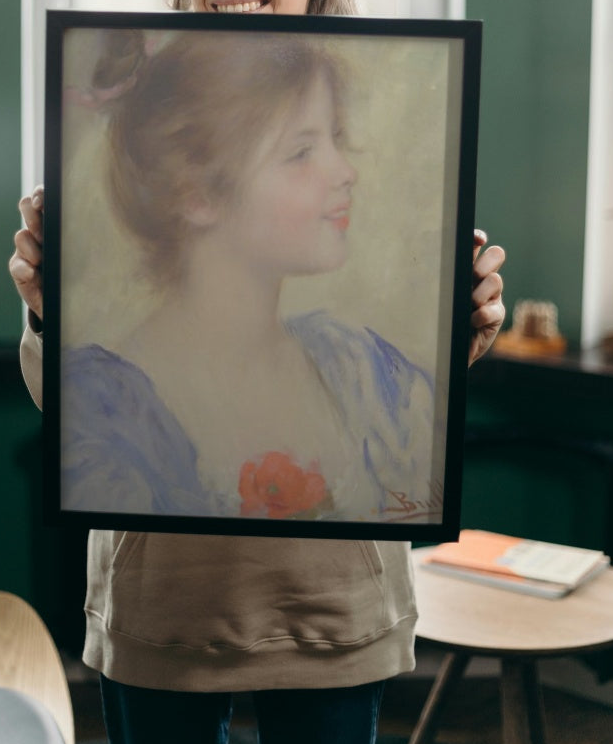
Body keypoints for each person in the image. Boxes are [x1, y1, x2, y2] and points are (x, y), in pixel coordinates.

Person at [10, 0, 506, 744]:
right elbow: (71, 412)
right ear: (195, 187)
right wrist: (48, 306)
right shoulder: (122, 382)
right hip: (167, 611)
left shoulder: (357, 364)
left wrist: (460, 325)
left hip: (330, 610)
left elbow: (418, 425)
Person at [60, 29, 439, 523]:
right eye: (302, 152)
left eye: (336, 138)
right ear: (196, 194)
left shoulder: (360, 374)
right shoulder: (114, 415)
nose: (346, 170)